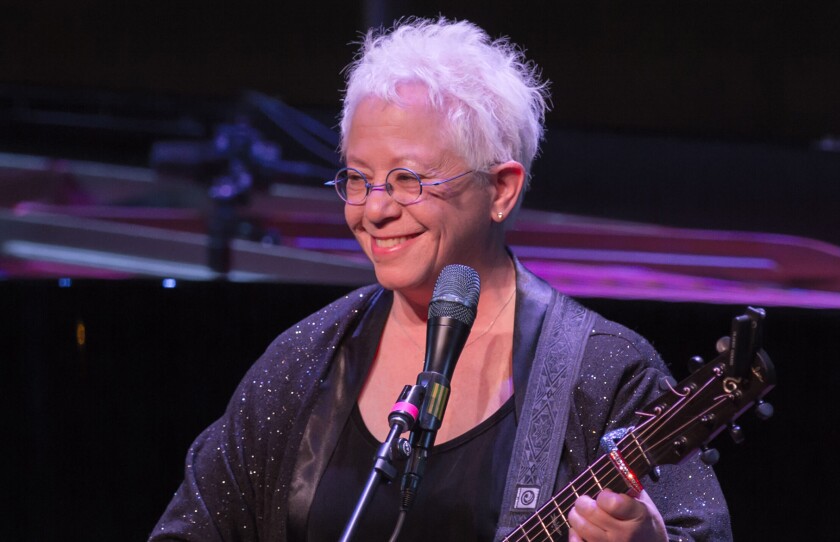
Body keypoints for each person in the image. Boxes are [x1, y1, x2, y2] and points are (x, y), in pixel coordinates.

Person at [150, 16, 732, 542]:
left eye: (407, 180)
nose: (373, 209)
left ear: (501, 189)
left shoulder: (604, 374)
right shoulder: (306, 362)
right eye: (357, 178)